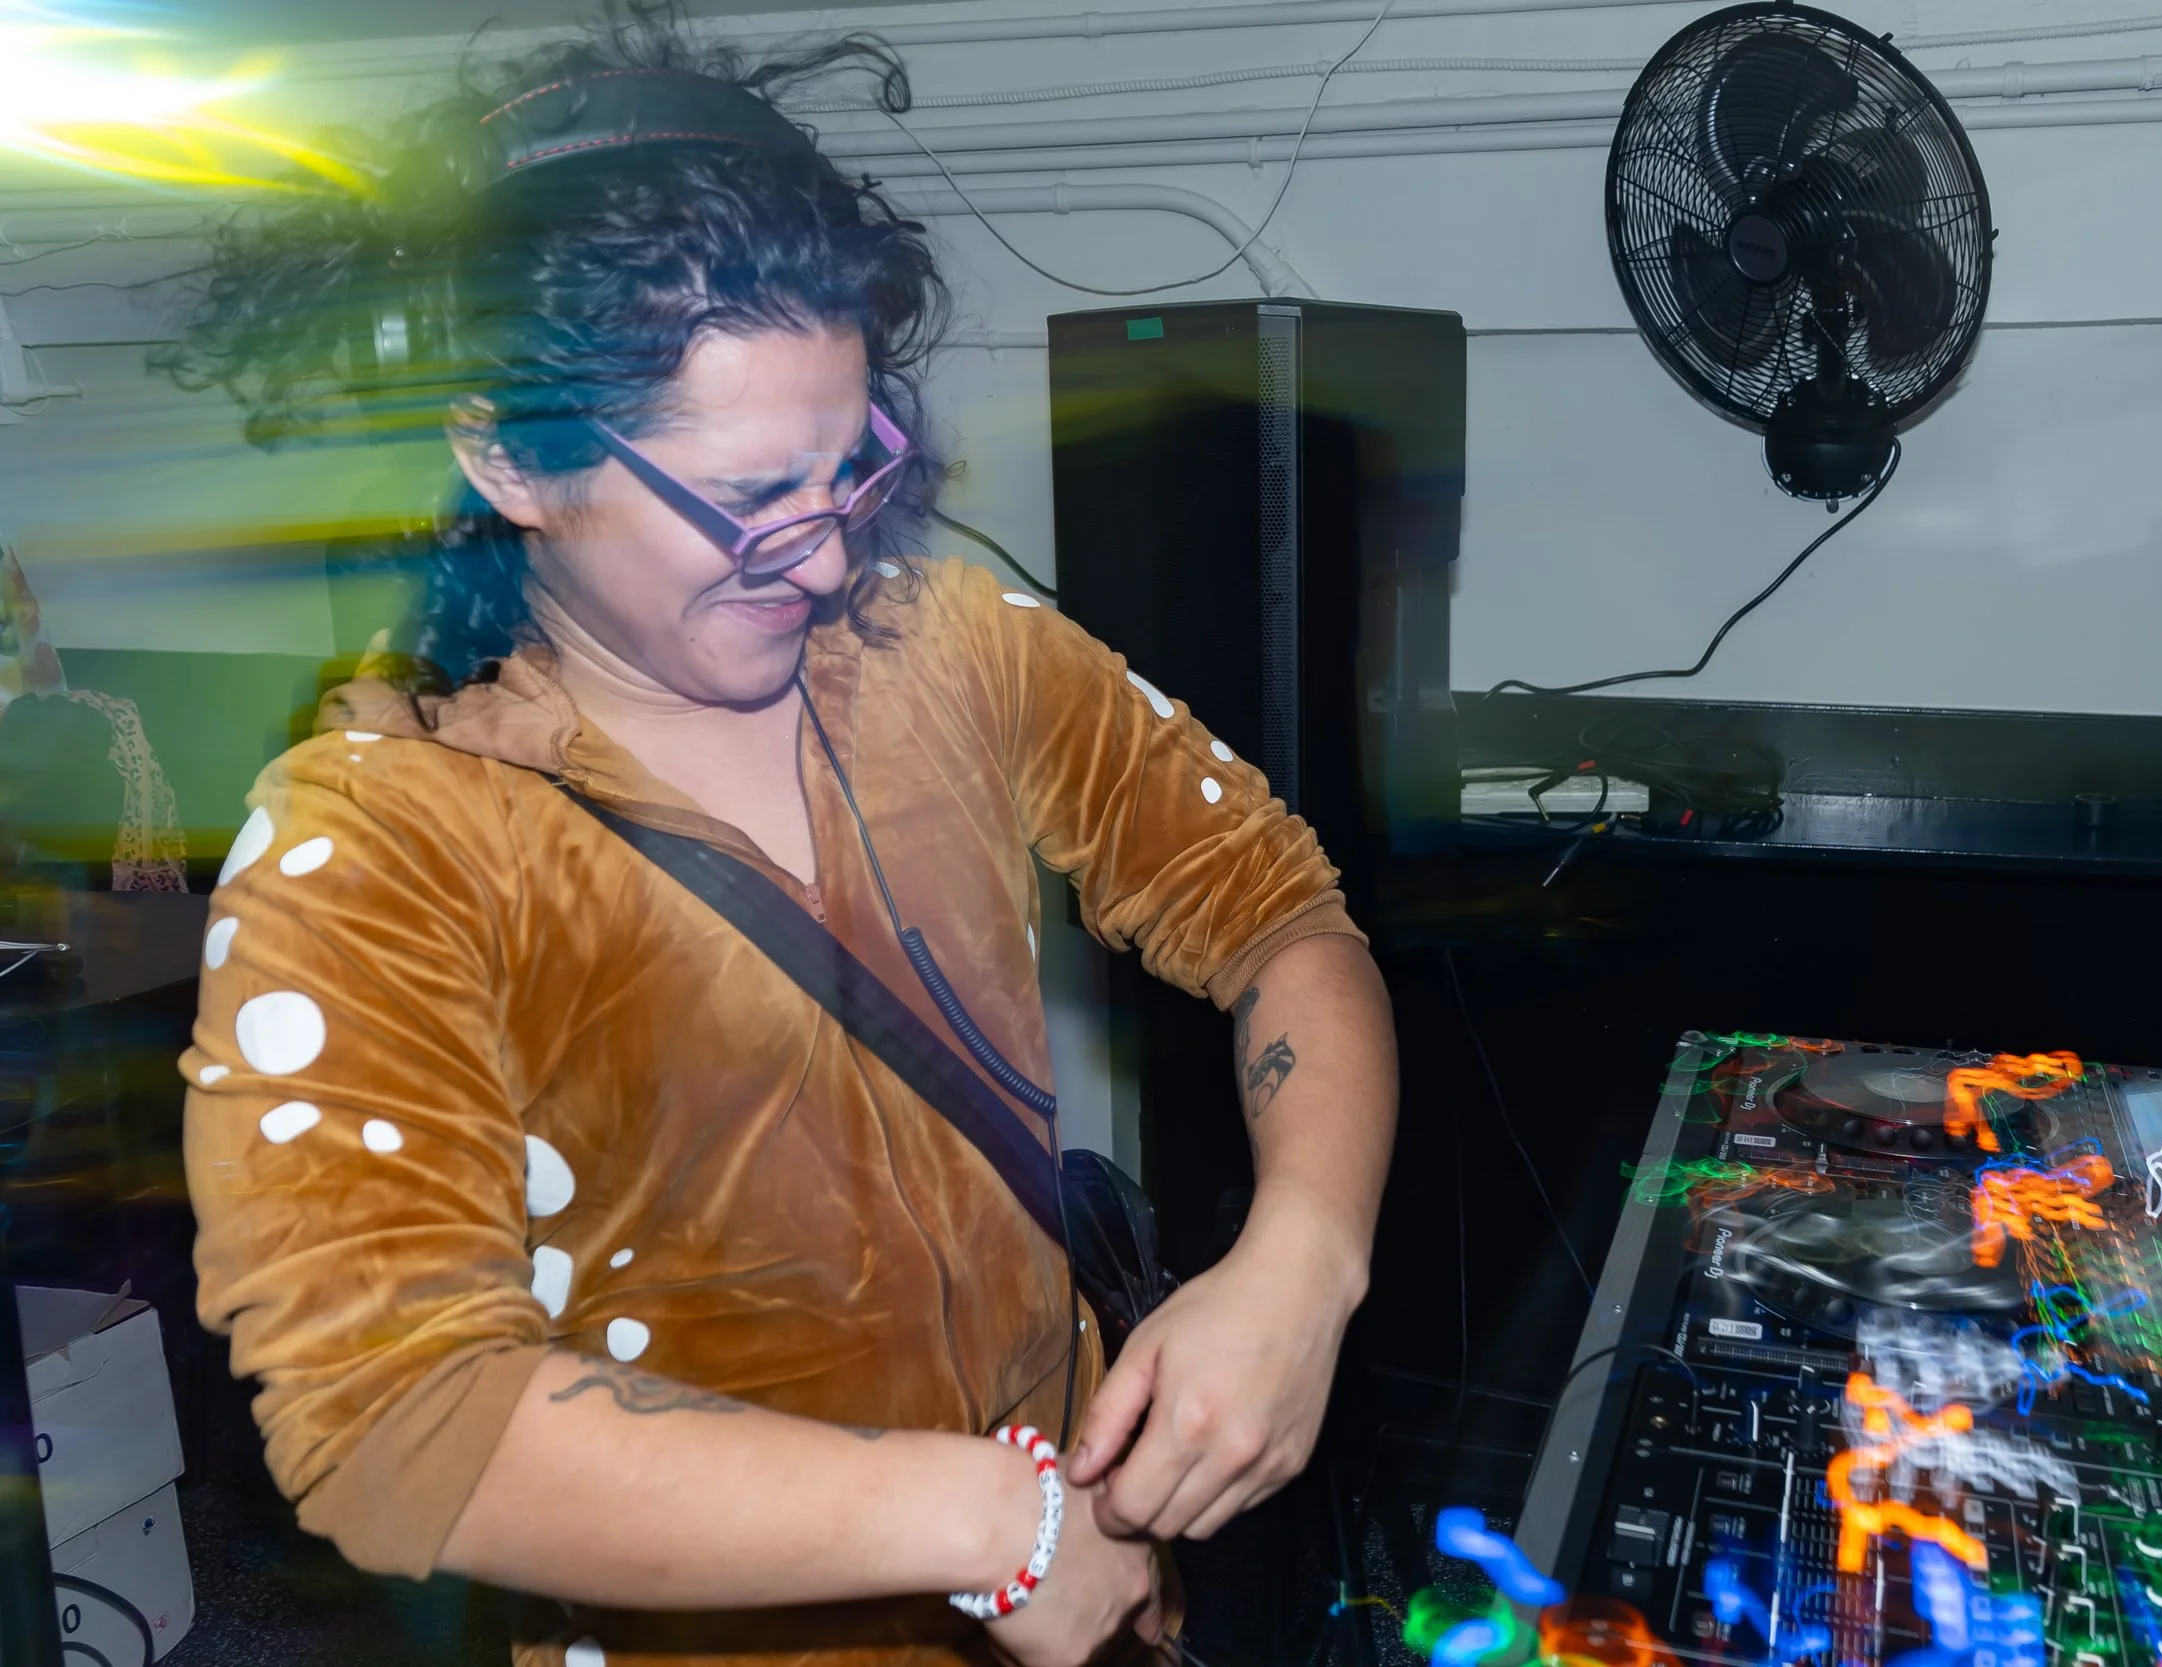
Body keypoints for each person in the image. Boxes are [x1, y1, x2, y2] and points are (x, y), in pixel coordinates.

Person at [166, 14, 1397, 1667]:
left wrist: (1306, 1257)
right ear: (506, 457)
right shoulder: (382, 847)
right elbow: (398, 1420)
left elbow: (1278, 914)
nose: (822, 560)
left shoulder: (952, 647)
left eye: (852, 469)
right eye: (750, 499)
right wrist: (999, 1524)